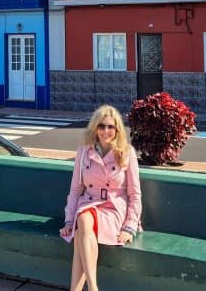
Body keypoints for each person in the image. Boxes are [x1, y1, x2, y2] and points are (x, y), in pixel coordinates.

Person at [60, 105, 142, 291]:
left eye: (111, 127)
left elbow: (134, 194)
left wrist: (130, 226)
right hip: (89, 203)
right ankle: (93, 287)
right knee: (82, 220)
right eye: (101, 126)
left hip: (113, 208)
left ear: (117, 129)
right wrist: (68, 220)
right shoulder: (84, 151)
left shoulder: (127, 153)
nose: (106, 131)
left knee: (81, 232)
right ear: (95, 128)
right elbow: (75, 189)